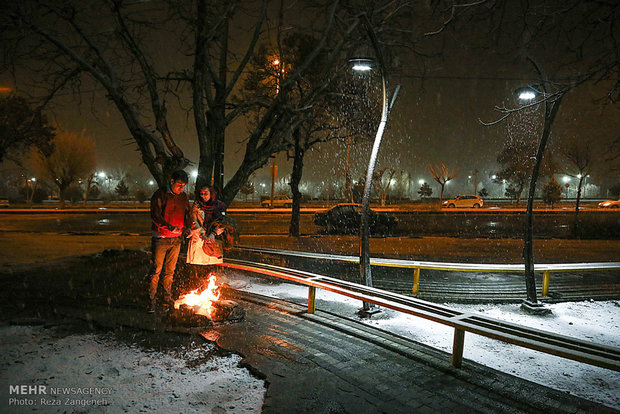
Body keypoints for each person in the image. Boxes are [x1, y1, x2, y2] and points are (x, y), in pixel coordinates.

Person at [148, 170, 191, 313]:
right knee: (156, 271)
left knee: (170, 272)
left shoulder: (183, 197)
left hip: (176, 239)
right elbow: (155, 215)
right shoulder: (160, 195)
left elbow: (187, 214)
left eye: (183, 185)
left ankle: (166, 299)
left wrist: (188, 227)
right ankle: (151, 300)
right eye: (179, 184)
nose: (181, 188)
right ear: (171, 181)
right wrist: (168, 227)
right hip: (161, 238)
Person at [187, 185, 227, 269]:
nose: (203, 196)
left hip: (213, 239)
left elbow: (222, 222)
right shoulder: (197, 205)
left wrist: (213, 233)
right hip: (199, 237)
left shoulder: (219, 206)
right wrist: (202, 233)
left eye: (205, 193)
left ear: (211, 194)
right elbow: (193, 219)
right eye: (201, 193)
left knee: (211, 264)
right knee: (197, 264)